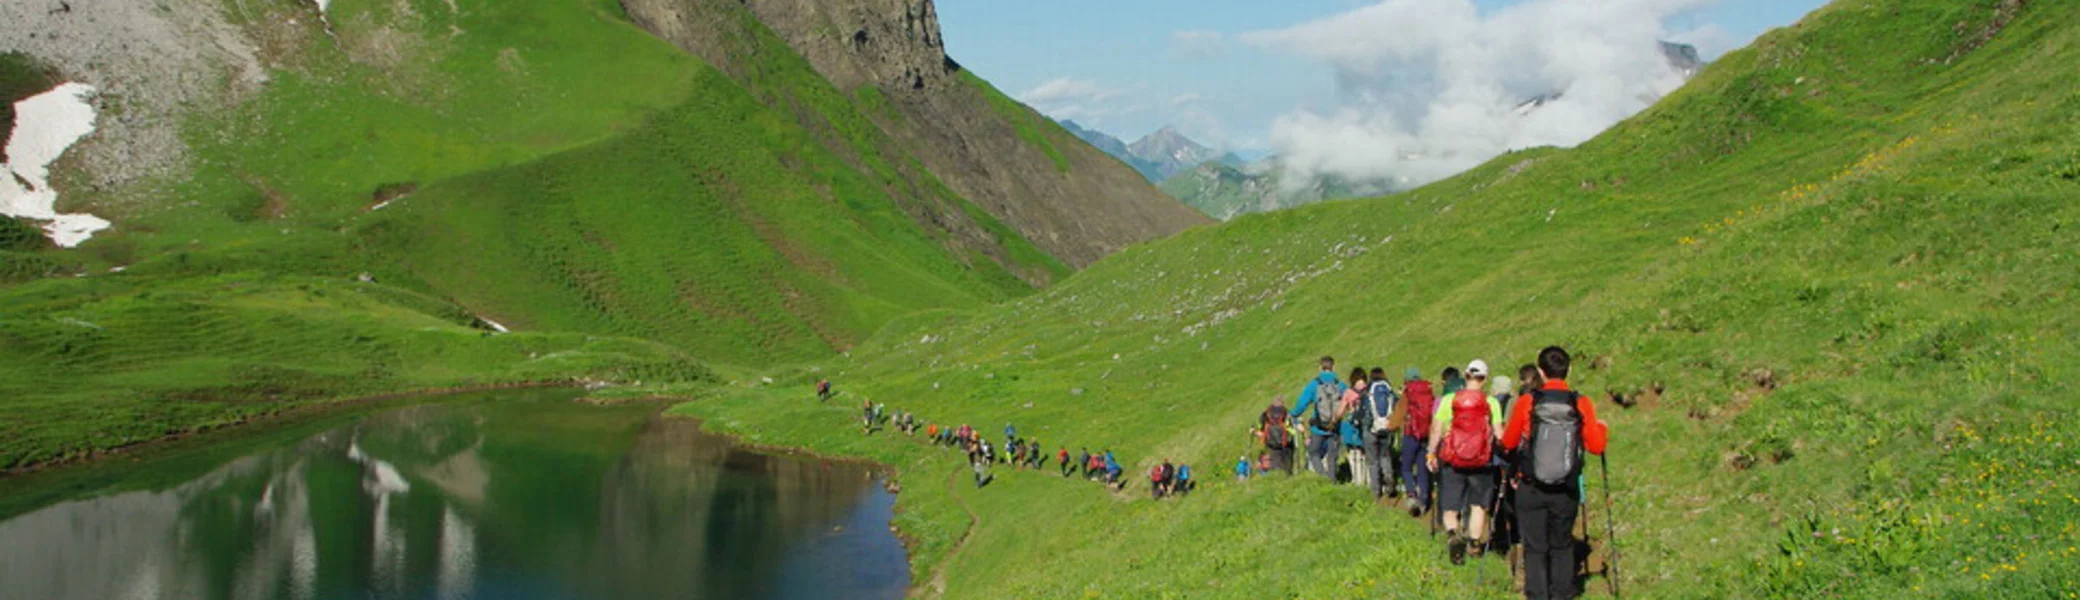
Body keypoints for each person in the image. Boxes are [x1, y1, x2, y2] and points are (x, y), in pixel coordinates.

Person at [1502, 347, 1609, 600]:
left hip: (1531, 486)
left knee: (1535, 548)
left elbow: (1508, 442)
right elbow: (1596, 446)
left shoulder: (1528, 401)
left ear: (1541, 371)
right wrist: (1603, 428)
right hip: (1565, 488)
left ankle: (1537, 595)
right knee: (1562, 546)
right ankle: (1563, 594)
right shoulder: (1579, 402)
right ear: (1568, 369)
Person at [1429, 360, 1505, 566]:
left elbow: (1437, 429)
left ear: (1465, 376)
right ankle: (1474, 543)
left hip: (1453, 460)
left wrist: (1431, 454)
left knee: (1451, 506)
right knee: (1478, 505)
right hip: (1482, 461)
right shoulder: (1492, 403)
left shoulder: (1450, 400)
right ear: (1485, 379)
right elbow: (1499, 435)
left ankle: (1453, 534)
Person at [1290, 356, 1347, 479]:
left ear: (1320, 367)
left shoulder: (1314, 385)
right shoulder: (1340, 385)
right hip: (1335, 426)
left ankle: (1322, 476)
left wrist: (1293, 414)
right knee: (1332, 456)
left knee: (1313, 452)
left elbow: (1302, 404)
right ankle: (1332, 480)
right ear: (1333, 367)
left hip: (1319, 427)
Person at [1396, 367, 1439, 516]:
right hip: (1426, 435)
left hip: (1411, 434)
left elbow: (1398, 415)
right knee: (1422, 469)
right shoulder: (1428, 391)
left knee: (1406, 467)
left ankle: (1411, 494)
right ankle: (1424, 501)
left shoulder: (1407, 393)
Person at [1362, 366, 1401, 502]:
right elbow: (1397, 405)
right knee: (1385, 456)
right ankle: (1389, 480)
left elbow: (1363, 409)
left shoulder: (1368, 390)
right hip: (1387, 427)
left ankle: (1376, 492)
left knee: (1373, 461)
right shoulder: (1388, 389)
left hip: (1371, 429)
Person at [1340, 368, 1369, 486]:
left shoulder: (1348, 393)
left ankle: (1358, 481)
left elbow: (1341, 410)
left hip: (1350, 429)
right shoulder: (1369, 391)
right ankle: (1368, 481)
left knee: (1353, 455)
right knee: (1366, 455)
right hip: (1367, 428)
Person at [1259, 401, 1296, 474]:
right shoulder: (1287, 413)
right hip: (1287, 442)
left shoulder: (1266, 413)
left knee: (1275, 462)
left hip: (1272, 443)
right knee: (1287, 463)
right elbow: (1292, 427)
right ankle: (1288, 475)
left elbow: (1261, 426)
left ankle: (1277, 475)